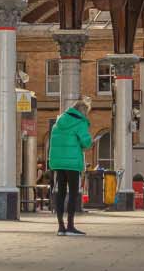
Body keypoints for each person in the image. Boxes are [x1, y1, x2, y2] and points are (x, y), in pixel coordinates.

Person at [47, 98, 93, 236]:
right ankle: (71, 226)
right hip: (72, 164)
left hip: (58, 163)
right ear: (83, 111)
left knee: (60, 193)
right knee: (73, 193)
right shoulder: (80, 123)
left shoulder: (57, 123)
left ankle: (61, 227)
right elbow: (87, 143)